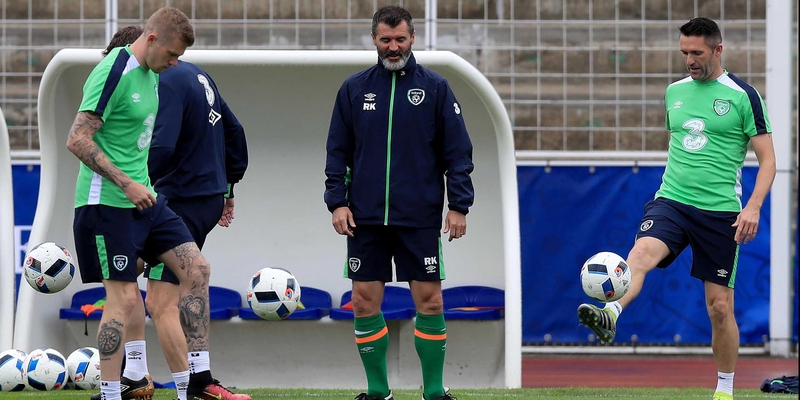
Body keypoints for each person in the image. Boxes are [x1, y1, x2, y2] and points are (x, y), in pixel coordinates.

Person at [576, 17, 776, 400]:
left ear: (718, 50)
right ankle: (611, 315)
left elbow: (768, 161)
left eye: (697, 53)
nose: (689, 60)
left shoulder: (743, 96)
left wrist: (752, 208)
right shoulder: (674, 92)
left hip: (720, 212)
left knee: (719, 307)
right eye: (684, 52)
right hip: (672, 201)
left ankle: (724, 389)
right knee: (640, 254)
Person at [89, 25, 251, 400]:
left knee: (161, 300)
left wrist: (134, 185)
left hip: (177, 197)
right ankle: (134, 374)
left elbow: (159, 147)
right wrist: (229, 186)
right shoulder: (196, 73)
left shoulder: (164, 80)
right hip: (203, 195)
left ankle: (191, 387)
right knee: (125, 275)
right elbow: (235, 131)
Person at [324, 5, 473, 400]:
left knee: (431, 300)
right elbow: (337, 152)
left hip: (419, 217)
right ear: (373, 39)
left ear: (412, 38)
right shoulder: (353, 89)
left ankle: (435, 392)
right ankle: (378, 392)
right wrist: (337, 202)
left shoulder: (437, 88)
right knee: (363, 301)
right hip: (365, 218)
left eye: (400, 39)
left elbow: (458, 154)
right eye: (386, 40)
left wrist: (459, 205)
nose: (393, 47)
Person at [67, 7, 214, 400]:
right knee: (126, 299)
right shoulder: (114, 70)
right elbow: (78, 138)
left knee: (196, 269)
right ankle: (112, 393)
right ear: (151, 39)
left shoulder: (153, 75)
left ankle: (197, 382)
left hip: (145, 202)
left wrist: (140, 185)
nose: (175, 62)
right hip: (106, 205)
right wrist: (127, 183)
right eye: (171, 53)